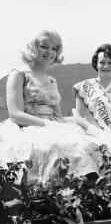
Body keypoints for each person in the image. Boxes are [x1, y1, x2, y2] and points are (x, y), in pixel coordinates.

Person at [0, 30, 102, 184]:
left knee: (91, 142)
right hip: (28, 127)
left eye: (55, 48)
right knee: (58, 146)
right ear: (33, 48)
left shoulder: (52, 81)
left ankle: (87, 192)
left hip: (54, 125)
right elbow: (15, 114)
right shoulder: (19, 74)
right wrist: (50, 125)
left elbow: (59, 117)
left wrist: (86, 122)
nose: (50, 52)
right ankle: (54, 191)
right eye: (44, 46)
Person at [72, 44, 111, 152]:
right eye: (102, 62)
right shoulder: (84, 87)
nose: (106, 66)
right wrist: (98, 133)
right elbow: (78, 118)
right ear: (96, 64)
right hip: (90, 136)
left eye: (110, 62)